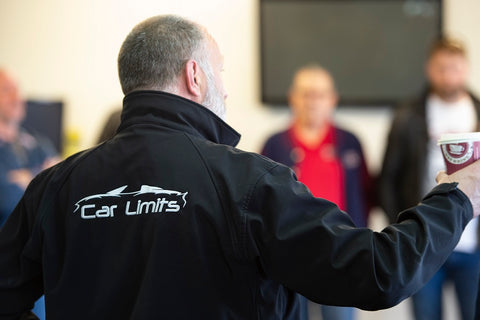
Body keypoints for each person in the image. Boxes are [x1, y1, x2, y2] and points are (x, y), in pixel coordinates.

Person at [0, 15, 480, 320]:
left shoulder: (55, 188)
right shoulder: (248, 182)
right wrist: (456, 197)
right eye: (221, 71)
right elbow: (379, 272)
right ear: (195, 75)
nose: (226, 90)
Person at [379, 37, 480, 320]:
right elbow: (388, 178)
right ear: (429, 69)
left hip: (474, 245)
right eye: (441, 67)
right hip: (425, 243)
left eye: (455, 67)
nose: (448, 75)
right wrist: (401, 230)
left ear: (466, 69)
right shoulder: (407, 116)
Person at [261, 65, 371, 320]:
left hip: (341, 257)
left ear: (332, 99)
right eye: (306, 94)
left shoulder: (350, 142)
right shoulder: (274, 145)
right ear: (292, 97)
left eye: (320, 95)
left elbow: (366, 196)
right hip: (290, 260)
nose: (313, 102)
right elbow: (260, 201)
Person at [0, 69, 60, 320]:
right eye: (7, 90)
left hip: (38, 264)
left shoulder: (35, 141)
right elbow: (8, 199)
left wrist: (24, 178)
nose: (17, 97)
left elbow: (58, 188)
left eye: (17, 90)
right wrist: (38, 177)